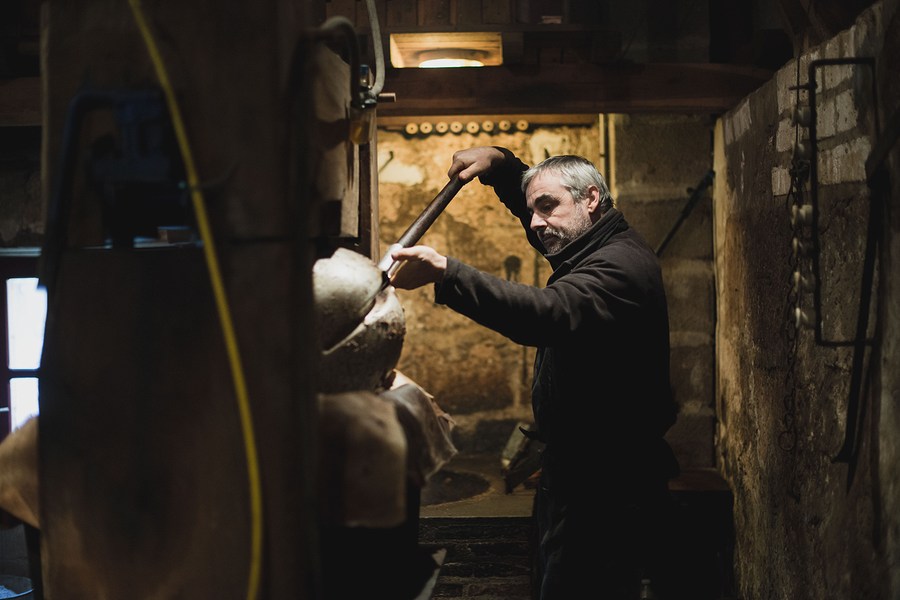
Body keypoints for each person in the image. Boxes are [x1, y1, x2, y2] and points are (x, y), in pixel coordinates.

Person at [390, 146, 684, 599]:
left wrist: (445, 272)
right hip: (577, 471)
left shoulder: (620, 267)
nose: (536, 223)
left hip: (606, 486)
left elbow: (546, 313)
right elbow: (544, 214)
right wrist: (502, 166)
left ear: (591, 199)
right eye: (531, 211)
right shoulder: (591, 240)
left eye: (547, 207)